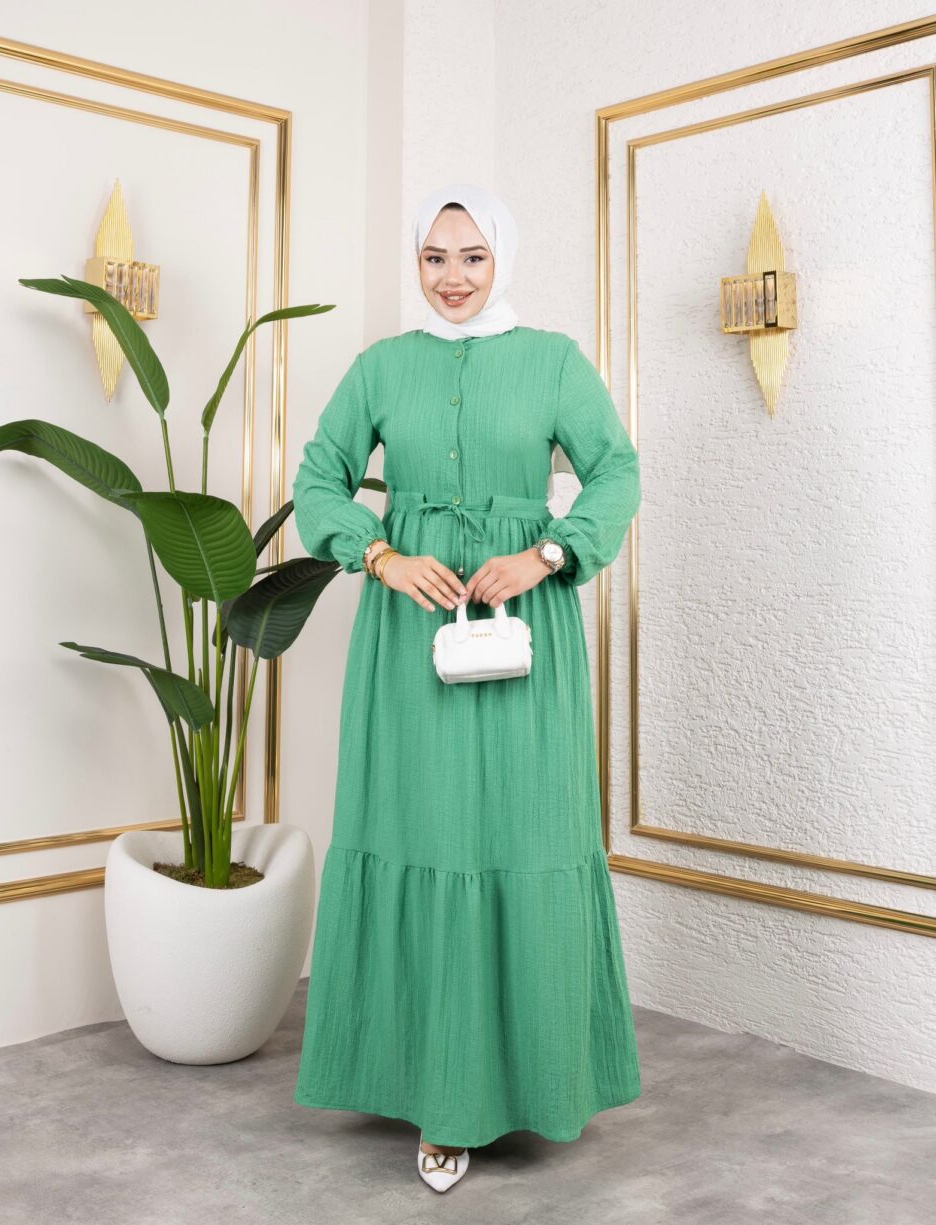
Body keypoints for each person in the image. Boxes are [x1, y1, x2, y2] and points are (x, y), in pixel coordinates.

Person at [291, 182, 642, 1193]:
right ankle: (438, 1100)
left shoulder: (553, 360)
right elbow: (318, 477)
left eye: (473, 256)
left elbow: (616, 470)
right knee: (424, 832)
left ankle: (538, 1079)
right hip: (408, 637)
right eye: (435, 257)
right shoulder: (381, 366)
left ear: (502, 259)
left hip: (524, 629)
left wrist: (549, 553)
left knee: (523, 833)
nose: (452, 277)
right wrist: (378, 554)